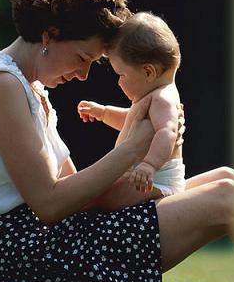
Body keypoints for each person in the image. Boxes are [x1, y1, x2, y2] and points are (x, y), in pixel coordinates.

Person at [0, 0, 234, 282]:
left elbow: (75, 191)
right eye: (83, 58)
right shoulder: (1, 84)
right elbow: (50, 204)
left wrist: (151, 158)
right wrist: (137, 146)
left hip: (57, 235)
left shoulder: (31, 89)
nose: (84, 75)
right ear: (50, 35)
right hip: (30, 251)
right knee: (226, 199)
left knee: (225, 178)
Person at [78, 12, 185, 202]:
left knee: (95, 200)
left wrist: (149, 165)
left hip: (155, 182)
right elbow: (132, 122)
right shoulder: (153, 96)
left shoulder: (162, 97)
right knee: (96, 196)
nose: (119, 82)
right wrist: (104, 112)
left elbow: (167, 132)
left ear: (148, 71)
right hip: (147, 179)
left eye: (121, 74)